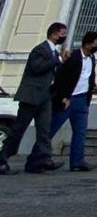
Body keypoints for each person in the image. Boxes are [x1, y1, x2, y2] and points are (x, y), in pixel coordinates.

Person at [1, 22, 68, 175]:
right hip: (31, 96)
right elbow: (37, 67)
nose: (64, 37)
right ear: (54, 34)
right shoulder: (40, 49)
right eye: (62, 34)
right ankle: (2, 159)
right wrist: (58, 60)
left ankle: (41, 160)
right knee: (18, 129)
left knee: (44, 130)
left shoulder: (53, 52)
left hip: (45, 97)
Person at [50, 31, 97, 172]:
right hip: (68, 99)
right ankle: (37, 158)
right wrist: (63, 97)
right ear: (87, 44)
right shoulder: (73, 57)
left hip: (82, 99)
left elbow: (88, 76)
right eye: (95, 43)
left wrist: (93, 87)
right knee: (51, 129)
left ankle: (77, 161)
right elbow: (61, 78)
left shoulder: (91, 58)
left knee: (80, 132)